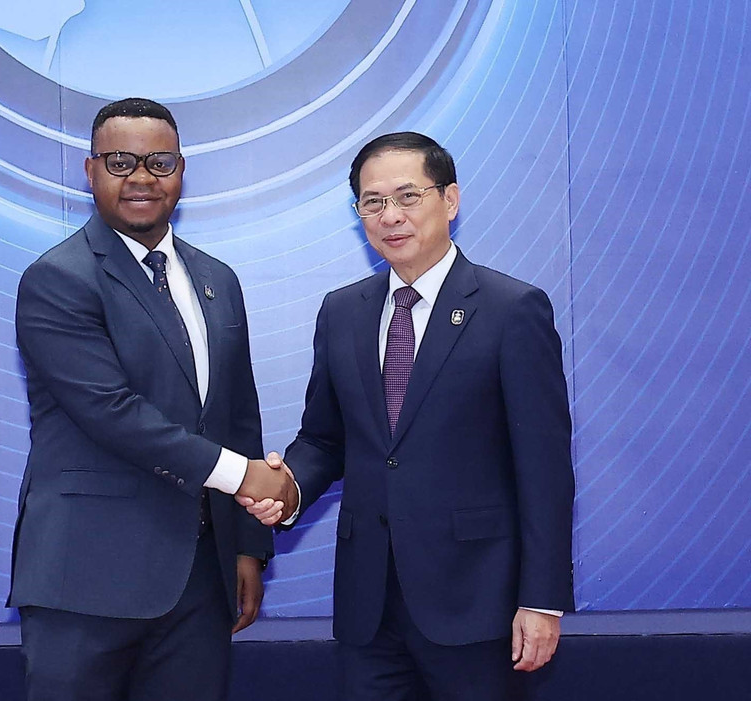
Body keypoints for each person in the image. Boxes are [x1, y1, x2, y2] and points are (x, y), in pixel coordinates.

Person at [241, 132, 575, 700]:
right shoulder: (342, 311)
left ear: (450, 200)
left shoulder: (512, 309)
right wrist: (290, 487)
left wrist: (540, 600)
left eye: (408, 196)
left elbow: (544, 470)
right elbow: (325, 438)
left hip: (477, 604)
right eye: (372, 202)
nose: (390, 215)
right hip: (369, 608)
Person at [8, 97, 297, 701]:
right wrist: (244, 476)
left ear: (182, 170)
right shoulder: (58, 279)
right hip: (86, 578)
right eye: (120, 161)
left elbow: (237, 412)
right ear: (90, 172)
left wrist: (247, 547)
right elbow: (111, 413)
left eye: (159, 162)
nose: (142, 177)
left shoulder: (218, 280)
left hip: (200, 579)